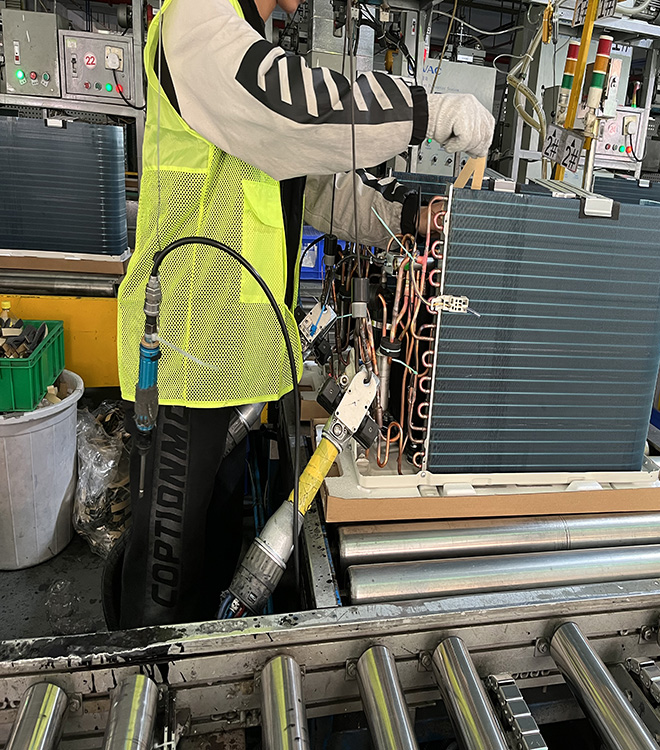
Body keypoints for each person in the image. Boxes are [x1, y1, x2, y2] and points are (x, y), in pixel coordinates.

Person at [115, 0, 495, 628]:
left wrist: (406, 215)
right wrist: (426, 113)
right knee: (167, 569)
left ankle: (198, 679)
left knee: (215, 544)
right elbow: (296, 114)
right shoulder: (198, 18)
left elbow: (309, 185)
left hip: (233, 359)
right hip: (181, 356)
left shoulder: (241, 37)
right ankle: (144, 681)